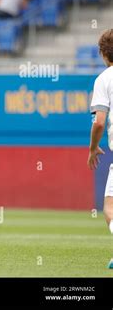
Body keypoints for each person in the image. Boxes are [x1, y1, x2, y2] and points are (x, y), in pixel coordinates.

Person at [87, 28, 113, 269]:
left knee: (109, 207)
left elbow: (99, 122)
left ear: (104, 55)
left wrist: (93, 148)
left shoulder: (105, 79)